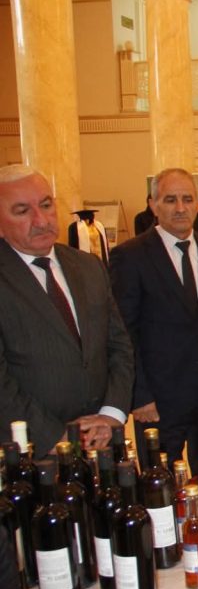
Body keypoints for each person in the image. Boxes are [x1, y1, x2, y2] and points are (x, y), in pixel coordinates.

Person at [109, 168, 198, 476]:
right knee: (162, 480)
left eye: (187, 199)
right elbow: (124, 333)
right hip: (158, 398)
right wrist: (138, 394)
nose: (180, 208)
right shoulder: (130, 256)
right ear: (153, 205)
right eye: (170, 200)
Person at [0, 165, 133, 454]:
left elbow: (119, 345)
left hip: (103, 439)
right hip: (32, 451)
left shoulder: (88, 266)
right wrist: (56, 437)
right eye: (22, 211)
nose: (41, 220)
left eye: (46, 205)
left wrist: (111, 414)